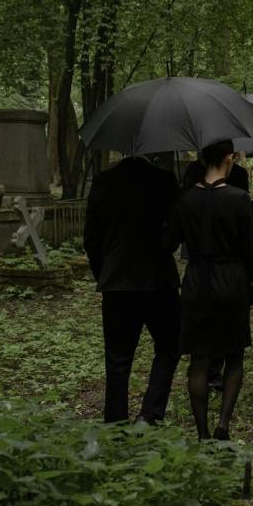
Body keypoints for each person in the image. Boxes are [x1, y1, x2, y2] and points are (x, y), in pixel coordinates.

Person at [169, 140, 253, 441]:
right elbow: (249, 250)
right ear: (228, 158)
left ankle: (203, 434)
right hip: (230, 280)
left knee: (199, 359)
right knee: (234, 356)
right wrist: (252, 282)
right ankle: (223, 425)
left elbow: (170, 241)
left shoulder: (186, 199)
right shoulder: (238, 199)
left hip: (196, 280)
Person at [83, 155, 181, 425]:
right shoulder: (164, 180)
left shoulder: (104, 181)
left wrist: (104, 272)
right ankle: (149, 414)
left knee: (117, 358)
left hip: (117, 282)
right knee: (170, 346)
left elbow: (90, 238)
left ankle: (115, 422)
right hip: (158, 278)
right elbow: (174, 234)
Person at [181, 152, 253, 391]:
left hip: (207, 268)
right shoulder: (201, 180)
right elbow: (242, 226)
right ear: (227, 157)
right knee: (216, 346)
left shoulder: (235, 175)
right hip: (221, 266)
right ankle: (211, 374)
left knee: (218, 341)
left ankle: (213, 371)